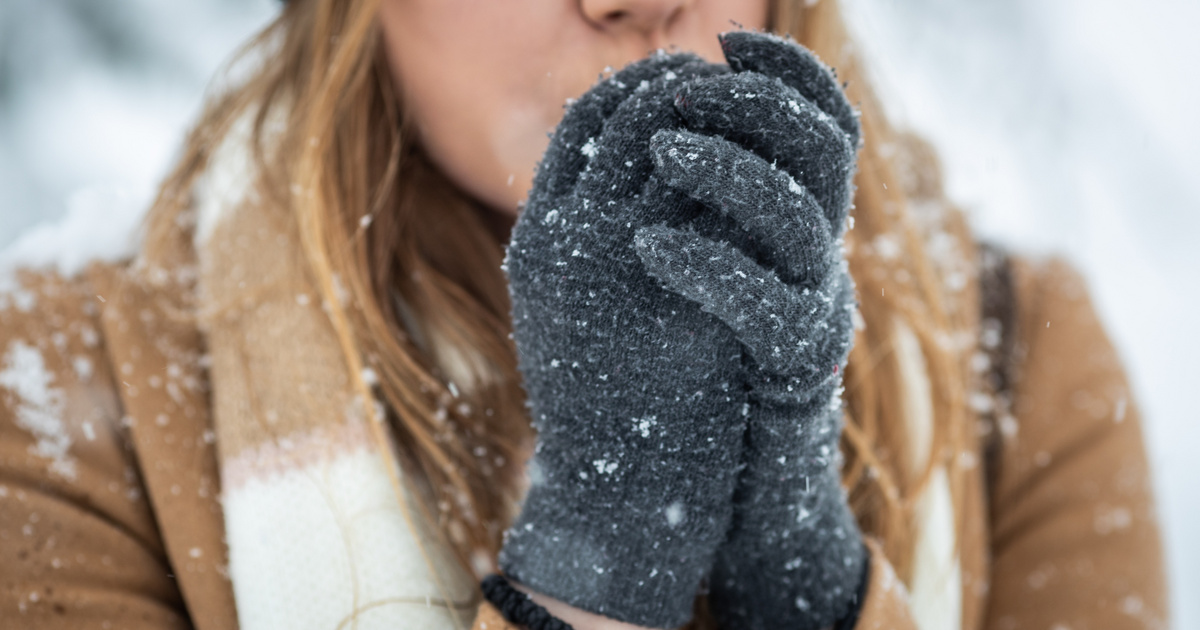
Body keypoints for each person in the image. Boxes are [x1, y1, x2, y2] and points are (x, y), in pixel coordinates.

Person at [0, 0, 1168, 628]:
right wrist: (597, 556)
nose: (635, 0)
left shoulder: (1021, 364)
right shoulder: (66, 394)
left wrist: (811, 591)